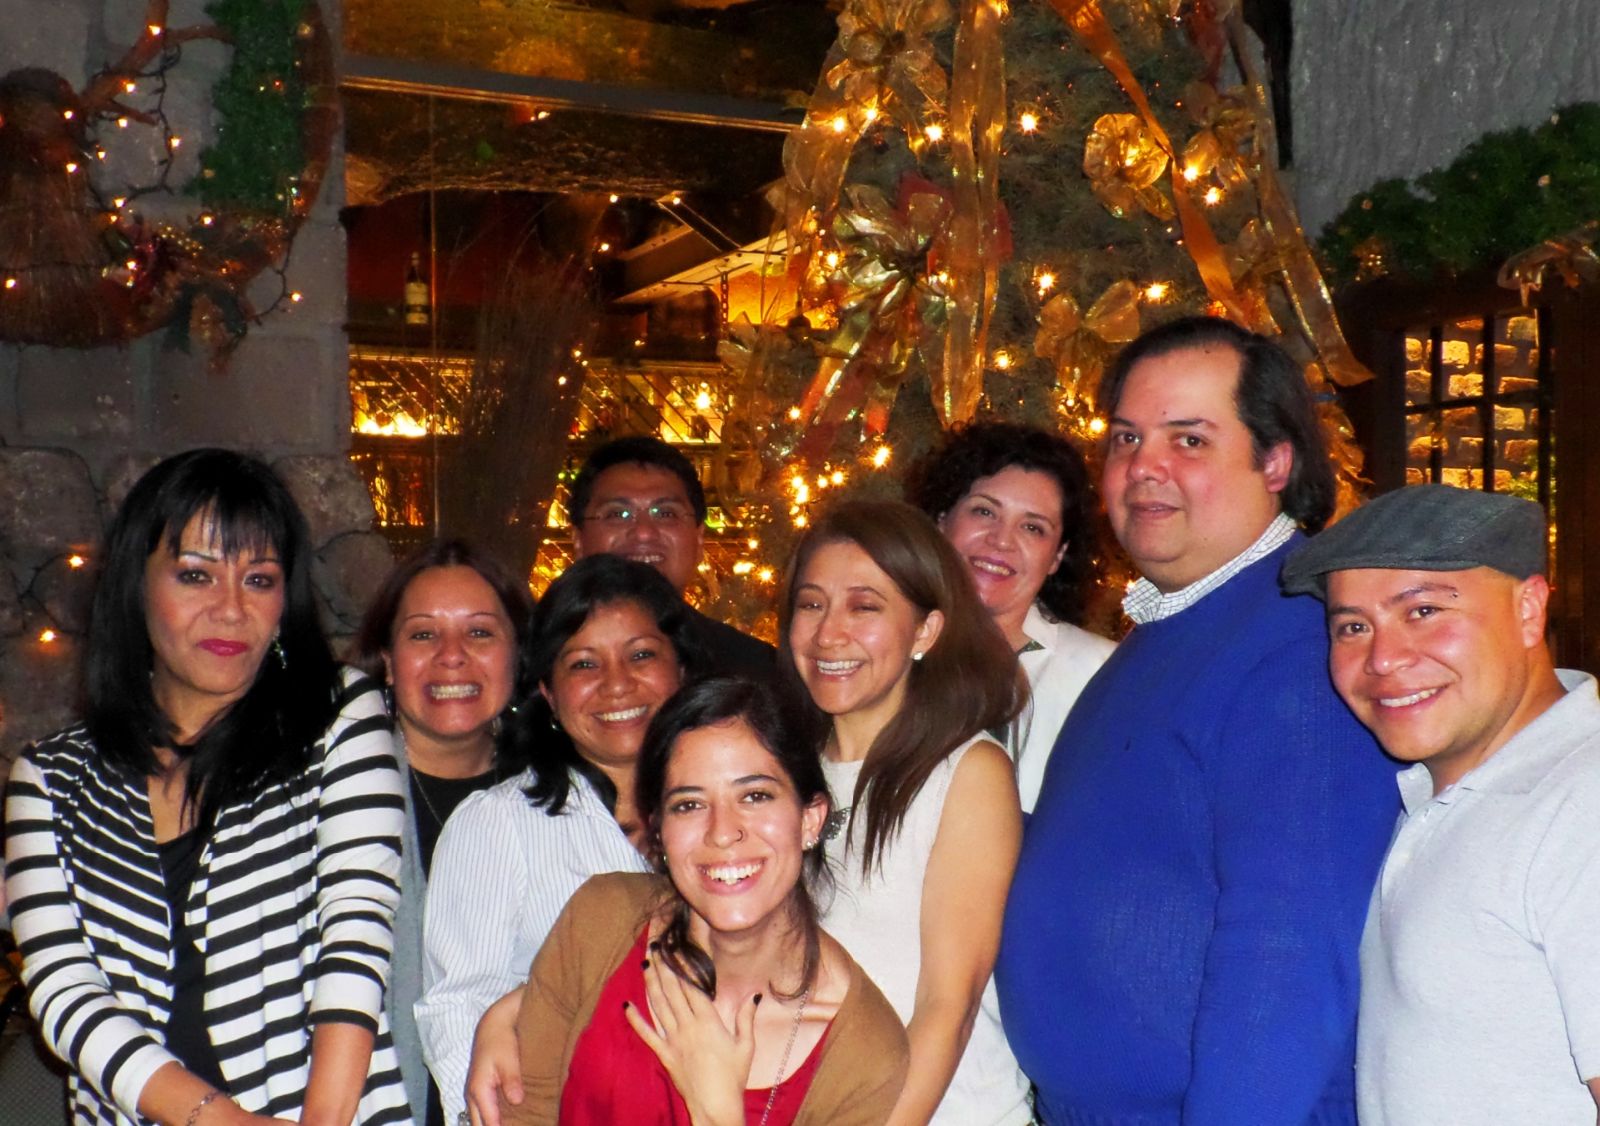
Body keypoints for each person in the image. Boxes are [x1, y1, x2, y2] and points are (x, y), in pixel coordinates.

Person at [997, 317, 1399, 1124]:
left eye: (1188, 440)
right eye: (1125, 438)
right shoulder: (1169, 631)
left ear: (1276, 460)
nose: (1143, 467)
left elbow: (1287, 953)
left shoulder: (1297, 642)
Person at [3, 448, 409, 1126]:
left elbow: (356, 933)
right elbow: (64, 990)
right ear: (136, 586)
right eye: (196, 575)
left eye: (259, 579)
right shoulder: (51, 778)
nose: (230, 609)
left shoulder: (338, 715)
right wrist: (222, 1122)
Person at [1280, 484, 1600, 1125]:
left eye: (1423, 611)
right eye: (1352, 626)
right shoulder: (1441, 799)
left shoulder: (1581, 804)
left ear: (1529, 610)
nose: (1383, 658)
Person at [499, 677, 909, 1125]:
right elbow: (523, 1111)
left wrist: (717, 1113)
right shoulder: (600, 921)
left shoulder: (863, 1054)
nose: (721, 831)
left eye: (755, 796)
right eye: (689, 805)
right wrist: (504, 1013)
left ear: (810, 819)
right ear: (659, 830)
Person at [417, 555, 704, 1125]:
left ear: (683, 671)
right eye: (583, 664)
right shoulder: (498, 824)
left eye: (642, 655)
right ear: (547, 691)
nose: (617, 684)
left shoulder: (732, 818)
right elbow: (456, 1013)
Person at [782, 499, 1030, 1125]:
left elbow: (950, 1003)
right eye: (811, 604)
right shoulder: (782, 770)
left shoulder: (966, 772)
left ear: (925, 631)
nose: (828, 633)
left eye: (864, 607)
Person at [352, 540, 534, 1126]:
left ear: (518, 654)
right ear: (386, 658)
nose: (452, 656)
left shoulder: (559, 797)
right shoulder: (339, 796)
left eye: (480, 633)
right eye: (423, 635)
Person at [905, 421, 1116, 812]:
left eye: (1033, 528)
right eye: (984, 511)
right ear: (941, 520)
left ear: (1056, 556)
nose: (1001, 540)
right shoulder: (882, 651)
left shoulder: (1102, 675)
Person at [568, 435, 773, 677]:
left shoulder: (753, 671)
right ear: (578, 541)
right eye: (618, 514)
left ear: (698, 539)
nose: (643, 532)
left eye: (665, 513)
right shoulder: (537, 661)